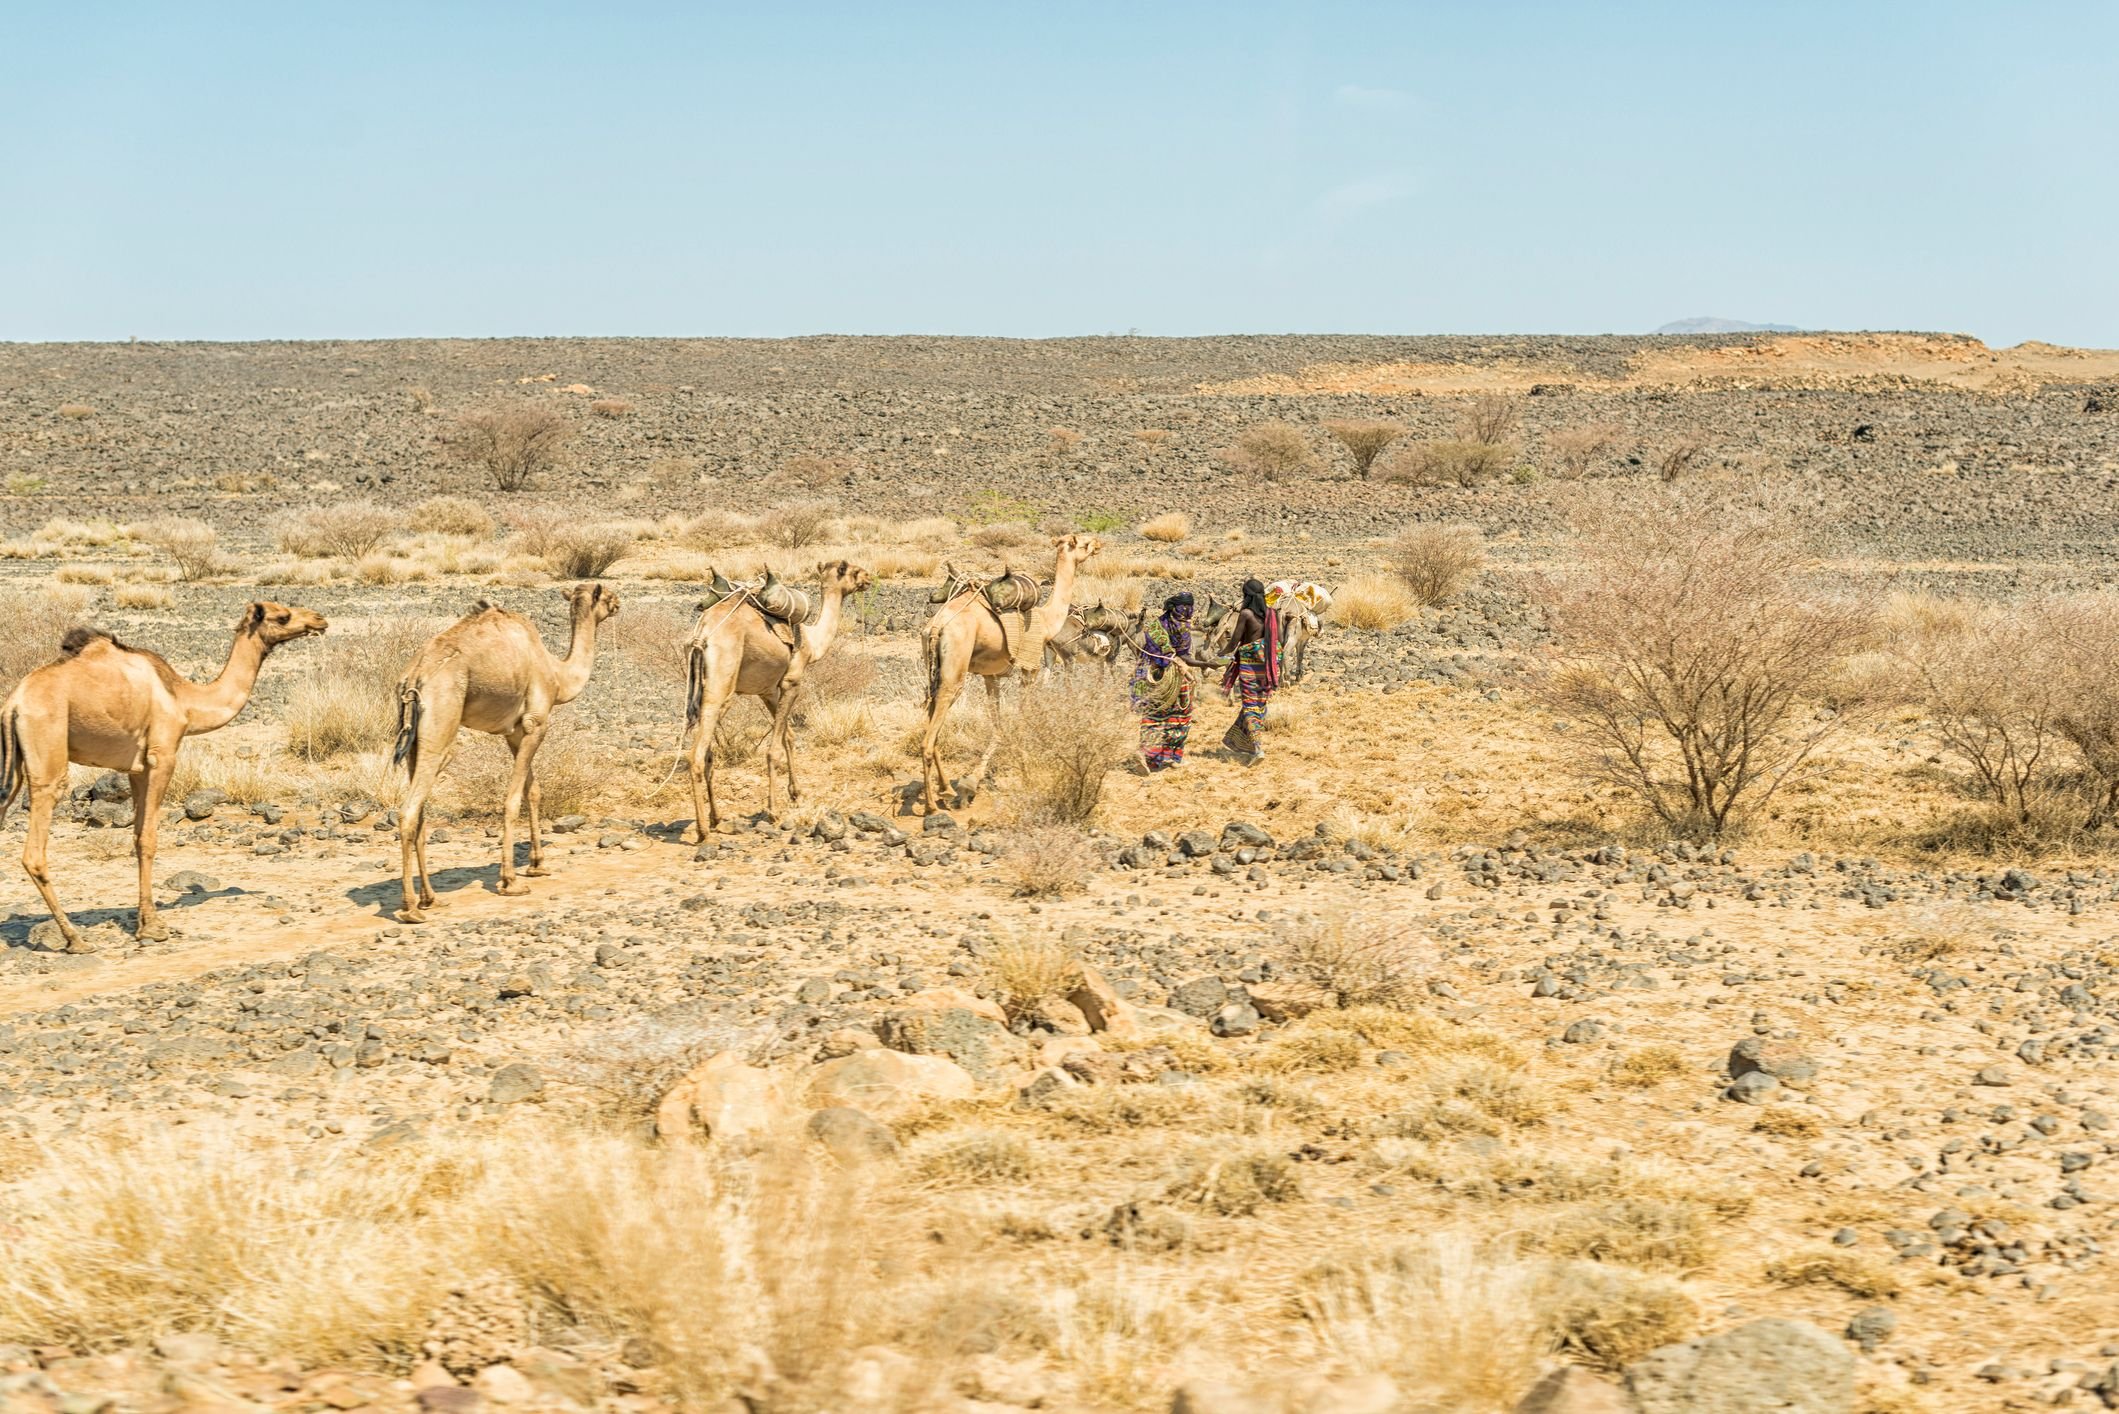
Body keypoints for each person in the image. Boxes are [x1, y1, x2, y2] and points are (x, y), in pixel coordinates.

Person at [1131, 591, 1218, 771]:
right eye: (1184, 608)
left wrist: (1202, 663)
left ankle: (1155, 756)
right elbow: (1184, 656)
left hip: (1155, 677)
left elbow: (1178, 655)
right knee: (1179, 716)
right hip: (1170, 678)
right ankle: (1166, 756)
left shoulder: (1157, 625)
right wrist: (1205, 664)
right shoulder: (1180, 627)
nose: (1187, 612)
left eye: (1189, 609)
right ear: (1175, 608)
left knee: (1156, 714)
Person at [1220, 578, 1282, 764]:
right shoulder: (1273, 614)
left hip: (1249, 667)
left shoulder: (1246, 614)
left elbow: (1235, 641)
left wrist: (1221, 654)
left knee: (1250, 706)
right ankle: (1240, 743)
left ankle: (1257, 749)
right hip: (1268, 667)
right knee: (1259, 704)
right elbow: (1278, 640)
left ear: (1246, 596)